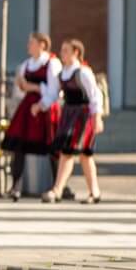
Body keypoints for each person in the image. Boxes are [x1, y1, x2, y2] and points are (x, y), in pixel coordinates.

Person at [42, 39, 103, 203]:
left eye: (66, 51)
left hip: (82, 116)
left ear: (76, 52)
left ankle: (63, 190)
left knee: (82, 154)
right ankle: (63, 190)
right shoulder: (61, 74)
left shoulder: (83, 72)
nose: (62, 54)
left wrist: (97, 118)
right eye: (62, 51)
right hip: (68, 115)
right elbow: (53, 94)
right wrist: (40, 105)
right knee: (70, 152)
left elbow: (95, 95)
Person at [3, 32, 61, 200]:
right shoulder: (26, 65)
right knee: (19, 146)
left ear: (42, 44)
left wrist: (38, 96)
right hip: (28, 108)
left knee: (51, 146)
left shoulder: (51, 63)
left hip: (45, 108)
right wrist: (23, 87)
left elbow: (54, 90)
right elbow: (20, 89)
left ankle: (58, 186)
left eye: (32, 42)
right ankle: (15, 186)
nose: (29, 45)